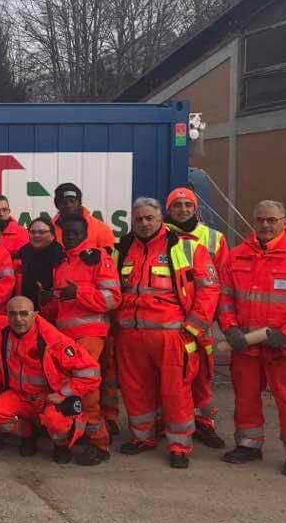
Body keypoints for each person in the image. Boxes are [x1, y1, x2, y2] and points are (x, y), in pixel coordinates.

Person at [218, 200, 286, 478]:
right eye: (260, 220)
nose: (265, 225)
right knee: (245, 398)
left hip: (285, 346)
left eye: (272, 220)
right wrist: (230, 329)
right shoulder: (237, 255)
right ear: (253, 223)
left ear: (284, 222)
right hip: (246, 345)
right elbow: (225, 298)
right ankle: (248, 445)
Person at [113, 197, 219, 468]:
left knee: (176, 391)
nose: (145, 223)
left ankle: (179, 445)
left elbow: (209, 290)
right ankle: (143, 437)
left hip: (172, 335)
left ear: (161, 219)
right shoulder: (122, 248)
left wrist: (192, 328)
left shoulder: (185, 246)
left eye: (150, 218)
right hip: (129, 336)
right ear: (132, 221)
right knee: (135, 390)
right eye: (139, 219)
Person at [40, 214, 120, 465]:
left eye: (76, 231)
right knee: (65, 390)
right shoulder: (63, 264)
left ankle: (99, 443)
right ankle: (74, 437)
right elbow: (62, 307)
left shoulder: (98, 259)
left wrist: (80, 292)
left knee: (87, 390)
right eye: (67, 232)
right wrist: (47, 302)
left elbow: (112, 298)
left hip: (90, 335)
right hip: (66, 339)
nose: (71, 235)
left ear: (86, 233)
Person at [0, 296, 100, 463]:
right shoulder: (0, 327)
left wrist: (63, 393)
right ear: (7, 316)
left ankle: (61, 446)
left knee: (56, 421)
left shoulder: (53, 340)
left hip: (48, 398)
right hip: (19, 396)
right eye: (13, 314)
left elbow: (91, 371)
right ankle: (28, 435)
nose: (18, 319)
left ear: (35, 314)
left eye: (24, 314)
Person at [165, 186, 229, 448]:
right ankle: (170, 422)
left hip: (201, 319)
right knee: (172, 377)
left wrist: (212, 319)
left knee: (201, 375)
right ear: (169, 210)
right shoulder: (161, 235)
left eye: (187, 205)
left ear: (196, 208)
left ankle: (205, 425)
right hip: (171, 321)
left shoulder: (214, 238)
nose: (182, 210)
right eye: (177, 206)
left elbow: (222, 282)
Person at [13, 218, 65, 309]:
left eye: (41, 232)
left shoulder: (62, 256)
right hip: (25, 310)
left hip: (54, 310)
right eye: (32, 232)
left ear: (52, 235)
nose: (36, 235)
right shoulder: (21, 254)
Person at [52, 183, 116, 252]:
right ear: (57, 205)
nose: (68, 205)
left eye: (72, 201)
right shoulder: (48, 229)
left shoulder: (101, 229)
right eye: (63, 202)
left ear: (79, 202)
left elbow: (109, 259)